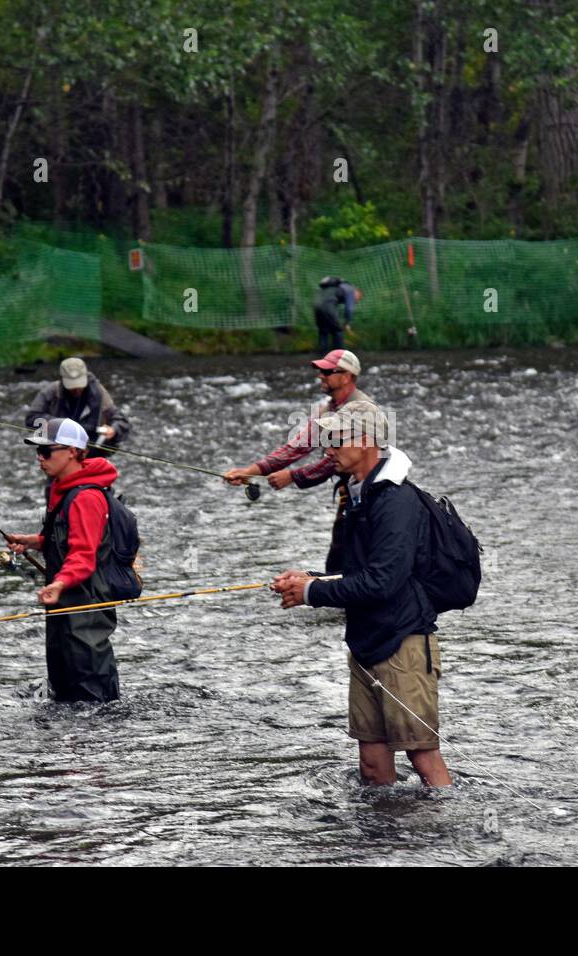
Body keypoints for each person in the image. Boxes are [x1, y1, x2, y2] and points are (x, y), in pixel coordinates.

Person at [272, 402, 451, 788]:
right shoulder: (359, 495)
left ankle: (445, 838)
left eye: (337, 439)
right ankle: (381, 840)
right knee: (371, 764)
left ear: (367, 441)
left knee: (422, 755)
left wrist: (311, 592)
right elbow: (361, 575)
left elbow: (382, 583)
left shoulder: (395, 502)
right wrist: (310, 578)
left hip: (403, 643)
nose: (328, 449)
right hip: (367, 642)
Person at [5, 417, 122, 703]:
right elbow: (68, 541)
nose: (39, 459)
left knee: (91, 702)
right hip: (65, 610)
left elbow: (84, 554)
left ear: (71, 451)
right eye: (37, 452)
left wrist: (59, 584)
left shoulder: (86, 498)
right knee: (65, 696)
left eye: (46, 452)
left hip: (84, 611)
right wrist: (36, 542)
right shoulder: (66, 491)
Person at [222, 349, 372, 492]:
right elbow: (295, 448)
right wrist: (249, 472)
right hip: (352, 489)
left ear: (346, 377)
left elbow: (340, 459)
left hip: (374, 488)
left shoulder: (361, 410)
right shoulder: (326, 410)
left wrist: (293, 476)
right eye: (320, 371)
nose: (320, 376)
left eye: (327, 371)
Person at [23, 357, 130, 459]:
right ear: (62, 380)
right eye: (72, 386)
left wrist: (113, 430)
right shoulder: (51, 392)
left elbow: (121, 421)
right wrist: (60, 424)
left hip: (92, 454)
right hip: (59, 456)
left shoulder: (99, 392)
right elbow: (32, 418)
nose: (77, 389)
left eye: (79, 384)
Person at [313, 276, 357, 354]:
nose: (357, 301)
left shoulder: (332, 287)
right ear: (357, 291)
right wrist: (346, 323)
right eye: (358, 298)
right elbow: (348, 309)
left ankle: (322, 358)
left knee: (323, 331)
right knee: (337, 331)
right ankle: (340, 356)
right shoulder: (350, 289)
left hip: (316, 305)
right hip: (328, 306)